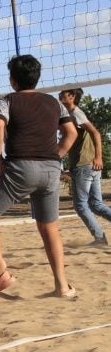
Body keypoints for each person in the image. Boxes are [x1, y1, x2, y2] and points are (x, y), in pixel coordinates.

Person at [0, 55, 77, 300]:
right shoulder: (54, 103)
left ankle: (0, 272)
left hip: (22, 165)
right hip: (52, 169)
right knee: (49, 227)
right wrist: (57, 154)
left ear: (13, 80)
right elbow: (71, 133)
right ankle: (62, 287)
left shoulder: (7, 100)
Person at [58, 88, 110, 246]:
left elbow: (96, 133)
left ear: (72, 97)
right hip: (87, 165)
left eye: (62, 94)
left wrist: (98, 156)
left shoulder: (75, 113)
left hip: (85, 164)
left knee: (81, 205)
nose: (59, 96)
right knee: (96, 204)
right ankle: (100, 237)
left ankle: (100, 238)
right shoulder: (70, 115)